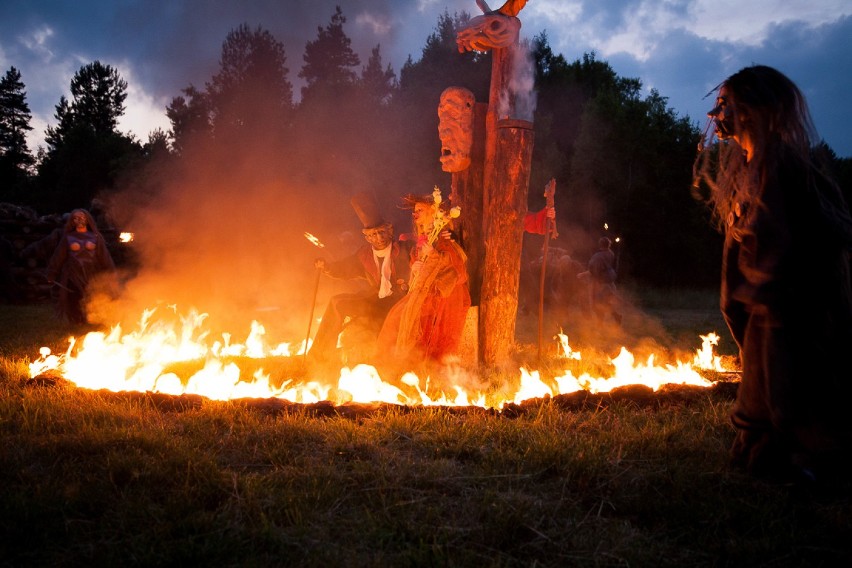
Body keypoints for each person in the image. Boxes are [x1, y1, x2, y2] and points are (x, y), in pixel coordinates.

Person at [694, 65, 852, 482]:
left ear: (752, 109)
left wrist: (764, 289)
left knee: (791, 391)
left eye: (725, 104)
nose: (717, 114)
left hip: (786, 307)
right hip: (762, 306)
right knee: (758, 434)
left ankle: (815, 456)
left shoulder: (780, 165)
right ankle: (773, 446)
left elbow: (784, 242)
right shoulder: (749, 166)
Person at [308, 192, 411, 365]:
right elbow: (345, 268)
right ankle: (320, 354)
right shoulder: (364, 255)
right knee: (337, 302)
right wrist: (326, 267)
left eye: (381, 232)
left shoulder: (405, 249)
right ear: (366, 237)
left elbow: (423, 255)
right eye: (372, 234)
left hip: (398, 303)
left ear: (390, 230)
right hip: (374, 303)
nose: (378, 238)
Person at [377, 190, 471, 365]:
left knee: (416, 322)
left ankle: (416, 365)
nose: (415, 214)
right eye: (415, 210)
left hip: (442, 293)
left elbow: (456, 268)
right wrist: (415, 267)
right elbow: (418, 261)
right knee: (397, 317)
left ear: (433, 212)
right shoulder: (424, 238)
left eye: (420, 210)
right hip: (423, 290)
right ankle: (394, 363)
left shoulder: (444, 237)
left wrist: (433, 254)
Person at [45, 208, 116, 325]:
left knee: (91, 296)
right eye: (76, 218)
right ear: (72, 221)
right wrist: (51, 273)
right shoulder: (68, 237)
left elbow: (105, 256)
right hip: (73, 273)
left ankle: (91, 319)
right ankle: (76, 320)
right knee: (74, 297)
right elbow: (59, 256)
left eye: (82, 217)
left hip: (91, 272)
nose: (79, 220)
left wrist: (112, 273)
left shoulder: (95, 237)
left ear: (87, 219)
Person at [579, 237, 621, 324]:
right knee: (605, 303)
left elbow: (593, 270)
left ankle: (600, 323)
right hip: (610, 282)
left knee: (597, 304)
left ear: (600, 244)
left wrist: (582, 274)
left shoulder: (597, 256)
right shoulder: (610, 253)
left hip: (600, 283)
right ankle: (616, 316)